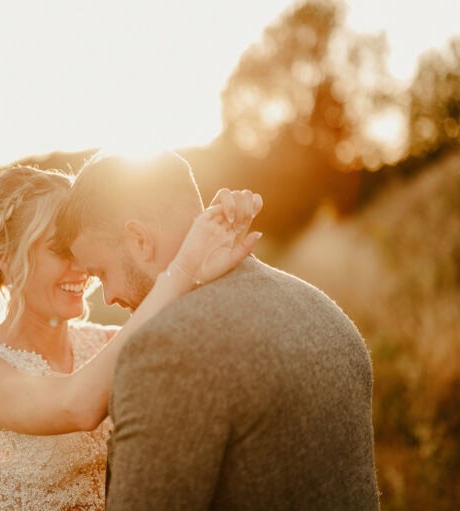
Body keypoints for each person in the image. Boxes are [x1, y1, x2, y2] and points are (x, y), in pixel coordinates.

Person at [0, 165, 263, 511]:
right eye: (60, 251)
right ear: (6, 258)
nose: (81, 269)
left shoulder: (107, 342)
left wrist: (213, 229)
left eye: (81, 251)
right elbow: (78, 406)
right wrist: (185, 267)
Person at [54, 150, 380, 510]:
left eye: (101, 273)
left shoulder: (165, 354)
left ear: (140, 240)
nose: (110, 296)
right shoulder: (324, 311)